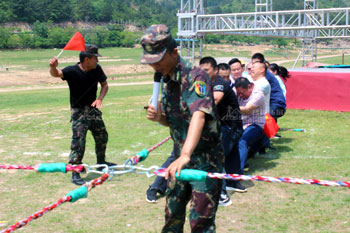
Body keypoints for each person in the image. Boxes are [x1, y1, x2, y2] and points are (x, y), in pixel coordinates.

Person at [141, 24, 223, 232]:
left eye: (158, 59)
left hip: (205, 161)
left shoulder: (196, 76)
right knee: (172, 216)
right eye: (151, 62)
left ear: (174, 52)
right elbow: (175, 121)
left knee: (200, 222)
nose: (154, 66)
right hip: (179, 160)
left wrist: (186, 154)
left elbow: (199, 115)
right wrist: (160, 117)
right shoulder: (166, 80)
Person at [49, 44, 115, 185]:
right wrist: (53, 67)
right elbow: (57, 74)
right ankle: (75, 171)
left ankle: (101, 162)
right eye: (95, 58)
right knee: (79, 142)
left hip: (93, 111)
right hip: (79, 112)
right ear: (86, 59)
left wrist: (99, 99)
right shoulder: (72, 71)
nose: (97, 61)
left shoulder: (97, 69)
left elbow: (105, 85)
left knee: (102, 135)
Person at [200, 57, 245, 206]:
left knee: (215, 159)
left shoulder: (219, 84)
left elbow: (214, 101)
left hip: (231, 127)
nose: (203, 73)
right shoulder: (207, 84)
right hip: (227, 126)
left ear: (215, 70)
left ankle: (221, 195)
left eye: (206, 70)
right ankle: (234, 182)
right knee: (230, 156)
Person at [235, 77, 270, 174]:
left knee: (242, 142)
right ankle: (241, 162)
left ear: (249, 87)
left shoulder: (258, 95)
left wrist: (231, 105)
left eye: (242, 93)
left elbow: (247, 109)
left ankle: (238, 174)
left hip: (256, 126)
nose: (240, 96)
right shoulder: (239, 92)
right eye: (239, 94)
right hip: (242, 125)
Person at [251, 53, 286, 124]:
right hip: (273, 104)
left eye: (256, 63)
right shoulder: (263, 74)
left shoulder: (265, 76)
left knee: (265, 119)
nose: (253, 66)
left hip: (277, 105)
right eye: (253, 63)